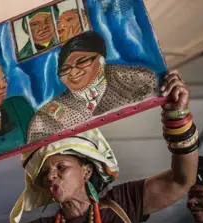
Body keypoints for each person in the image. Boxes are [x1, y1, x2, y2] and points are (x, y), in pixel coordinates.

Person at [0, 70, 200, 223]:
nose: (51, 176)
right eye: (45, 173)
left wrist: (178, 117)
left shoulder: (123, 204)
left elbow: (181, 180)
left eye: (61, 166)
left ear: (87, 170)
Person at [26, 31, 158, 142]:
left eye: (82, 62)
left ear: (101, 59)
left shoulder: (138, 80)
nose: (73, 72)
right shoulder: (46, 118)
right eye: (65, 69)